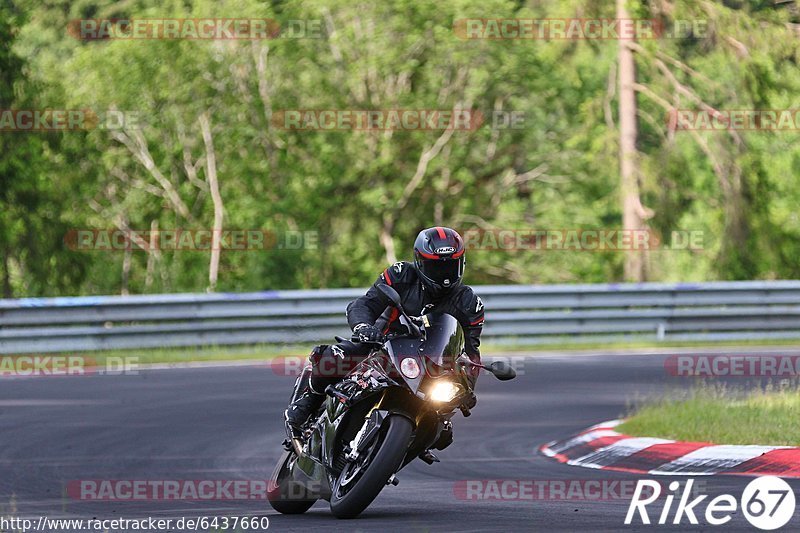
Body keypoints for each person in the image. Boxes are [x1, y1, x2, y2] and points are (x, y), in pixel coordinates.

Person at [284, 226, 485, 441]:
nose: (444, 276)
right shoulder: (401, 275)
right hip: (381, 346)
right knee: (333, 358)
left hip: (430, 366)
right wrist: (363, 327)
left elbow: (470, 353)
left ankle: (387, 462)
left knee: (441, 433)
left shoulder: (469, 303)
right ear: (419, 262)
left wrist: (467, 386)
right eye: (436, 268)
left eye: (450, 267)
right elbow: (364, 304)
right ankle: (303, 406)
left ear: (462, 264)